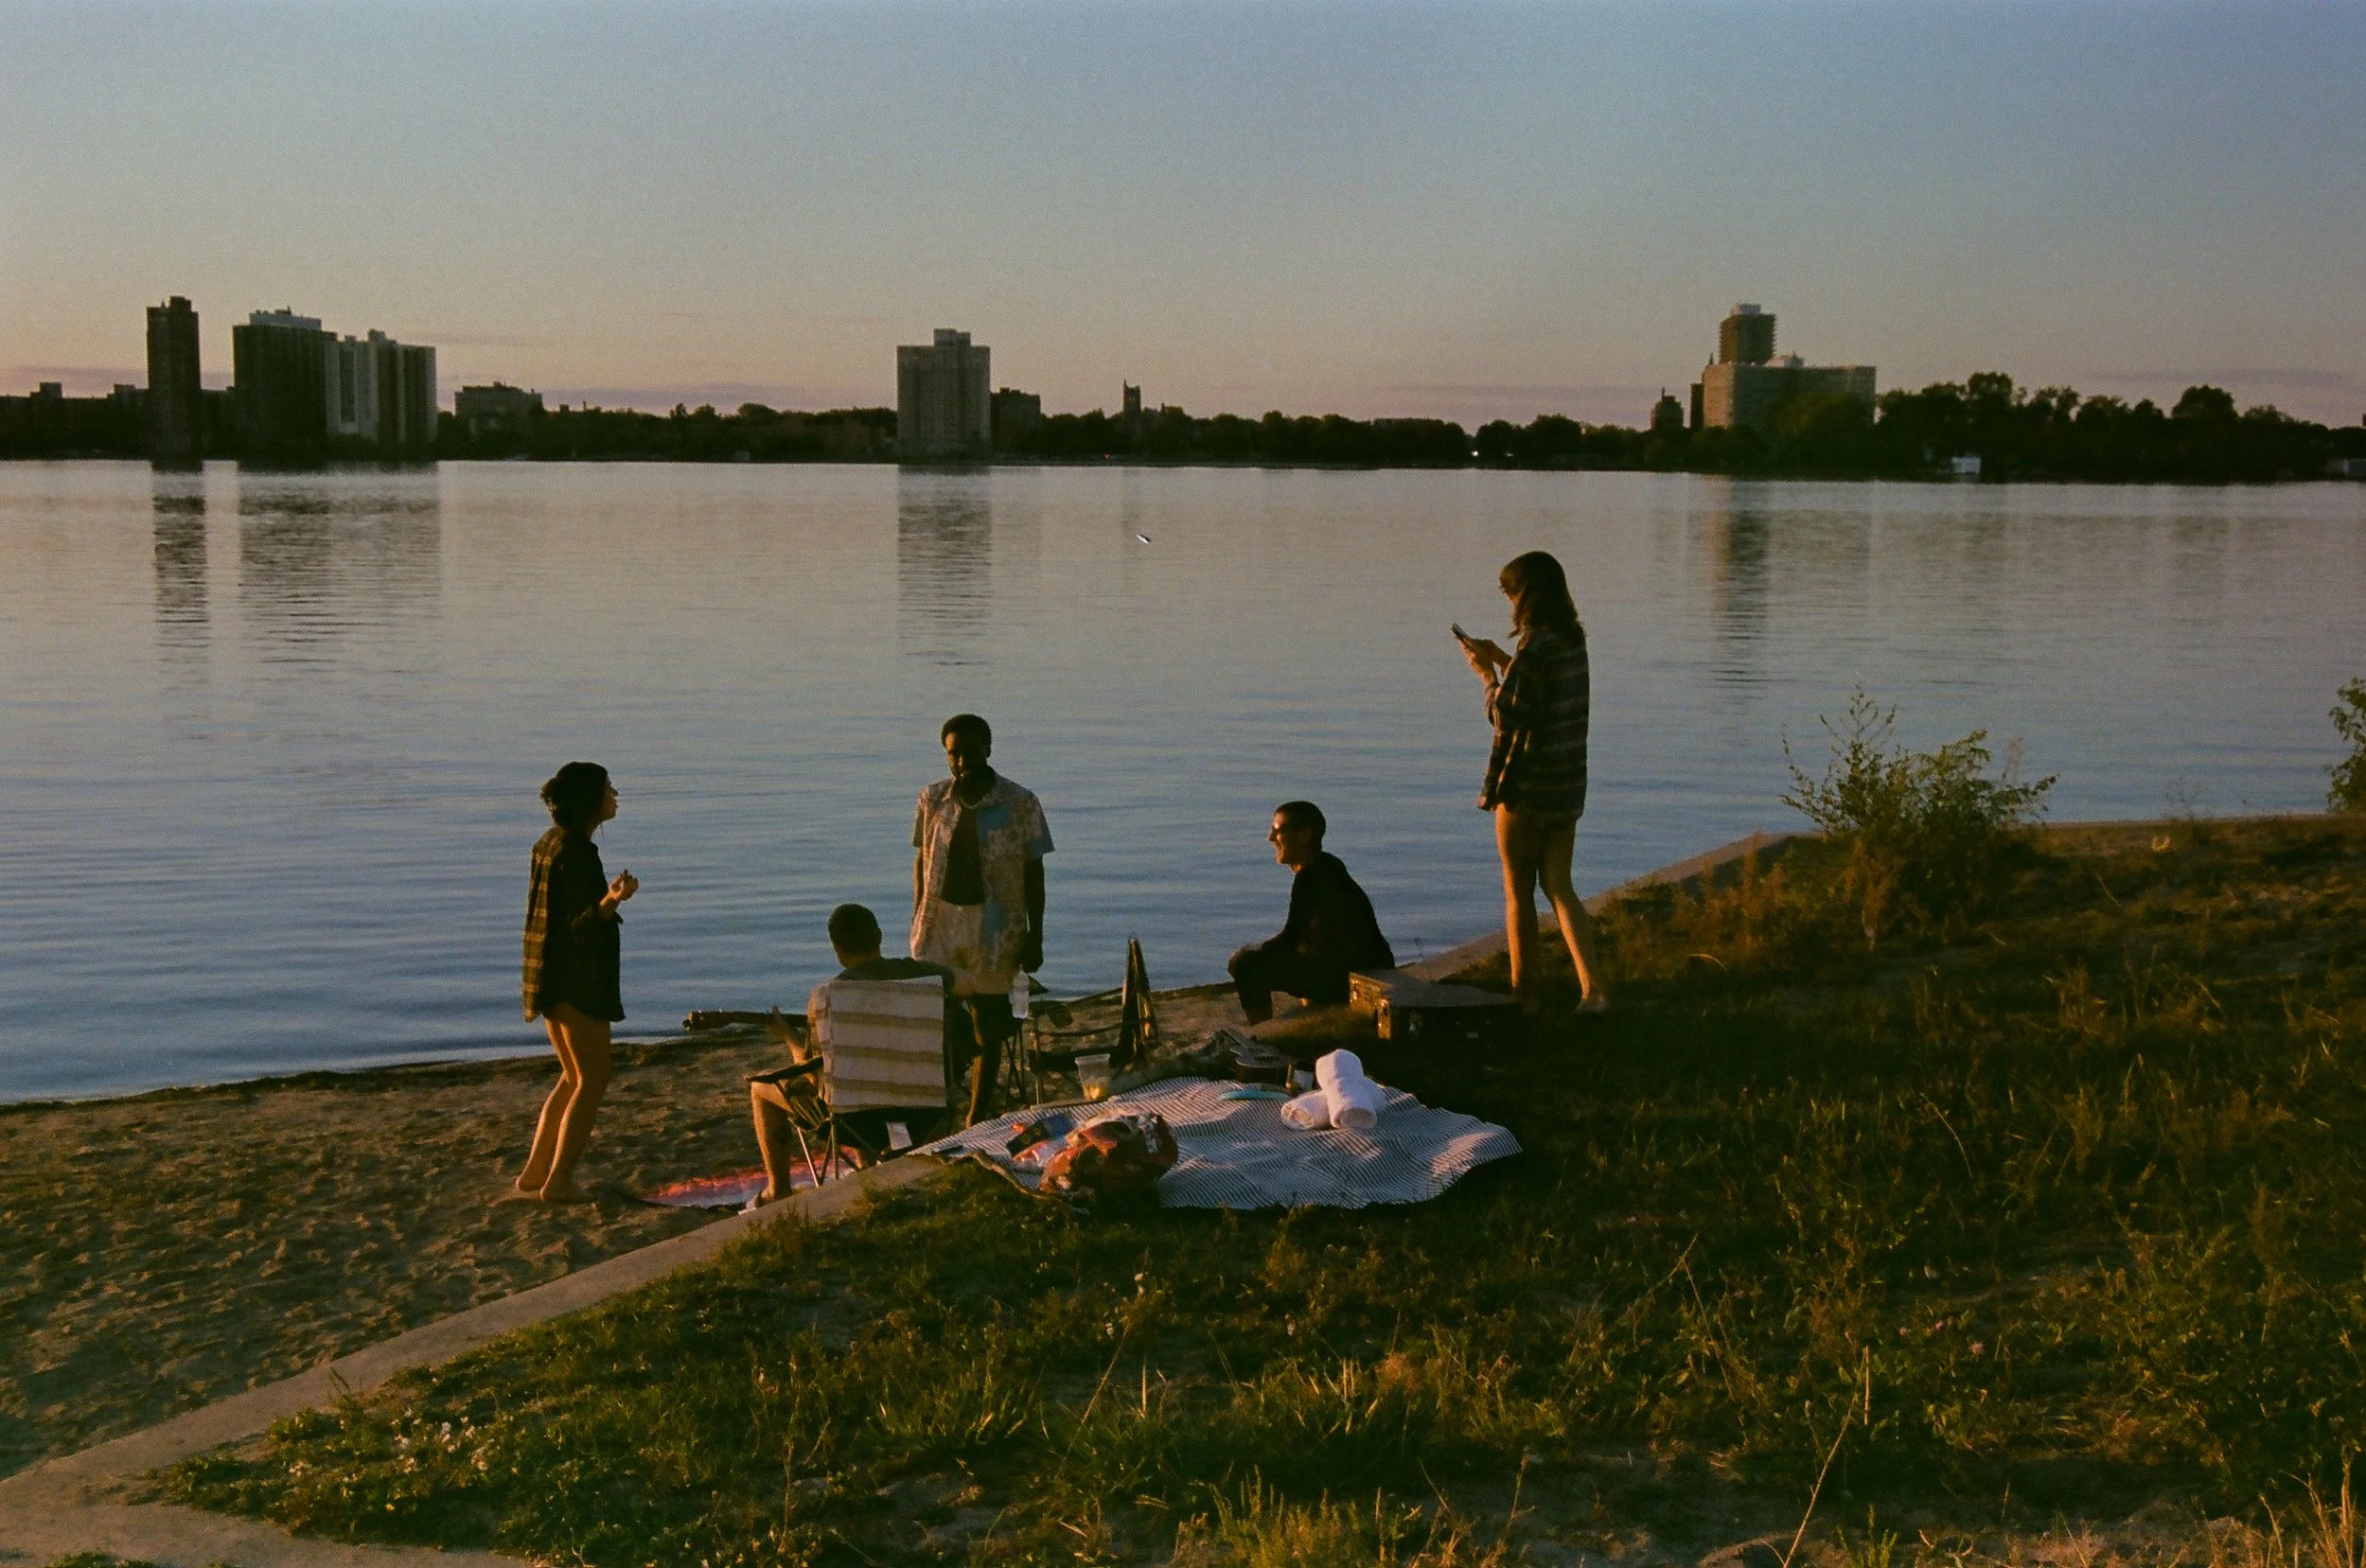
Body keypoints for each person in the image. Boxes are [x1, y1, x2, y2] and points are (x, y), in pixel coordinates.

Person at [1459, 550, 1610, 1018]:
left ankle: (1525, 996)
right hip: (1566, 787)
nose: (1509, 604)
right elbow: (1542, 690)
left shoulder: (1536, 645)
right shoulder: (1570, 639)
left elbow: (1508, 715)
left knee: (1518, 891)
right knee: (1560, 886)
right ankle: (1595, 992)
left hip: (1527, 788)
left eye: (1510, 593)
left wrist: (1487, 676)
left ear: (1525, 595)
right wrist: (1505, 659)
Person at [749, 903, 953, 1204]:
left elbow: (810, 1073)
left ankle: (777, 1190)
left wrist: (787, 1036)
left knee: (761, 1088)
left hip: (855, 1124)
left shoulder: (826, 997)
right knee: (871, 1066)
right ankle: (864, 1165)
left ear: (837, 950)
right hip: (925, 1114)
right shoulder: (927, 976)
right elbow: (965, 985)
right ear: (879, 936)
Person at [910, 713, 1051, 1122]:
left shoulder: (1020, 802)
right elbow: (922, 859)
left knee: (989, 1025)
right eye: (953, 754)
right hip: (939, 924)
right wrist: (919, 913)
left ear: (988, 749)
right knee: (934, 1017)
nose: (961, 762)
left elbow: (1034, 872)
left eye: (969, 752)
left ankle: (977, 1115)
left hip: (996, 926)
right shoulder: (932, 799)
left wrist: (1035, 934)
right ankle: (935, 1106)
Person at [516, 761, 639, 1201]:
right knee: (592, 1080)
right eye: (609, 788)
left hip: (546, 978)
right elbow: (581, 926)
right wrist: (612, 898)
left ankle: (534, 1175)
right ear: (590, 800)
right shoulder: (578, 852)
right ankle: (560, 1181)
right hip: (576, 982)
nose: (615, 794)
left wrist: (603, 896)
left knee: (571, 1076)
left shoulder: (548, 844)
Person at [1227, 801, 1396, 1025]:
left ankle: (1263, 1034)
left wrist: (1253, 949)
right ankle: (1312, 1010)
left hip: (1347, 977)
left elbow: (1291, 938)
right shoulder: (1328, 866)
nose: (1270, 838)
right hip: (1362, 965)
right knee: (1303, 953)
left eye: (1279, 831)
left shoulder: (1311, 877)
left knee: (1245, 963)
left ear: (1304, 835)